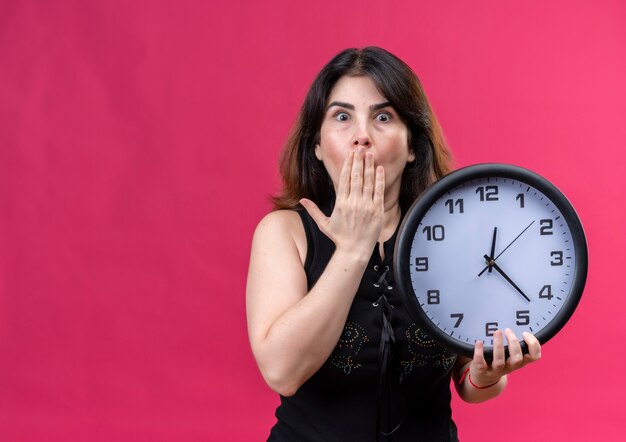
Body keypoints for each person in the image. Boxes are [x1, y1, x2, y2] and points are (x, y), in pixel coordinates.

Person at [246, 47, 541, 441]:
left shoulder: (454, 238)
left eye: (383, 117)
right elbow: (282, 372)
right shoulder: (283, 233)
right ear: (317, 146)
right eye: (342, 116)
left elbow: (469, 379)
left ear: (413, 146)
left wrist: (488, 375)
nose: (361, 136)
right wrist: (353, 247)